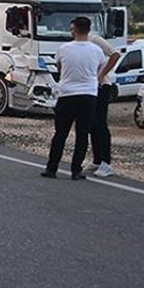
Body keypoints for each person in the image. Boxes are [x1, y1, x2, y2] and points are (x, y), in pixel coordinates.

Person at [42, 17, 107, 181]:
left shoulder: (64, 49)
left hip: (67, 94)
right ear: (88, 30)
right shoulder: (96, 50)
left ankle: (52, 168)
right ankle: (76, 170)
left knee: (60, 133)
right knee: (82, 134)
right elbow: (100, 67)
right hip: (89, 95)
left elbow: (59, 66)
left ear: (74, 29)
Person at [86, 32, 121, 177]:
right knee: (91, 124)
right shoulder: (75, 44)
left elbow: (115, 55)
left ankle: (106, 162)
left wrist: (101, 74)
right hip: (88, 87)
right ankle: (97, 159)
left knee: (100, 124)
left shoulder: (94, 40)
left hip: (102, 86)